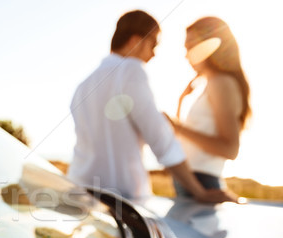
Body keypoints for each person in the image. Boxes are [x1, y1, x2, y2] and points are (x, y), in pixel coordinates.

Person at [66, 10, 234, 202]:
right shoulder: (130, 71)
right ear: (136, 41)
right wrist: (200, 192)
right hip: (121, 201)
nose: (153, 54)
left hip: (80, 190)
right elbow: (161, 140)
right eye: (153, 44)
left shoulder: (84, 85)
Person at [166, 17, 251, 197]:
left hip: (202, 182)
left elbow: (230, 149)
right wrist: (181, 99)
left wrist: (178, 127)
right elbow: (184, 141)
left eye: (189, 47)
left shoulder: (221, 83)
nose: (186, 54)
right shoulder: (210, 84)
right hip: (194, 181)